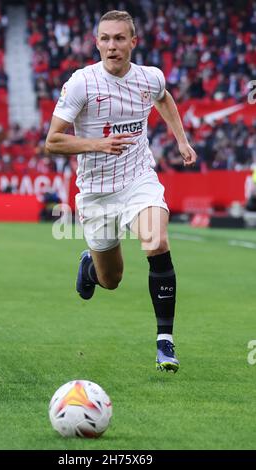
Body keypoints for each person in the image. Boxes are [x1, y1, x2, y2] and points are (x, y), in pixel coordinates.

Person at [45, 10, 197, 373]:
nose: (112, 46)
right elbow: (52, 141)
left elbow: (164, 98)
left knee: (156, 242)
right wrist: (97, 144)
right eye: (105, 39)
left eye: (119, 38)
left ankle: (165, 342)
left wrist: (182, 140)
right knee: (111, 280)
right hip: (97, 194)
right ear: (97, 43)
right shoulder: (82, 83)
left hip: (138, 180)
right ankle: (90, 265)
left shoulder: (149, 77)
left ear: (133, 42)